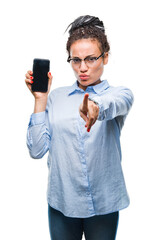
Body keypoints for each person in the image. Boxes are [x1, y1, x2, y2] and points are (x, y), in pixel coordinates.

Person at [25, 15, 134, 240]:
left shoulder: (119, 94)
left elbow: (115, 105)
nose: (82, 68)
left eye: (91, 59)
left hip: (104, 204)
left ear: (105, 58)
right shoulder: (56, 97)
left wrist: (96, 107)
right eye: (75, 60)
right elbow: (36, 151)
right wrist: (40, 99)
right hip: (63, 202)